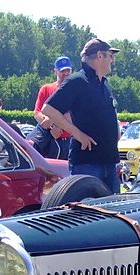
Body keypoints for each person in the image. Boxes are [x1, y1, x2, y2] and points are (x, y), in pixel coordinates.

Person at [41, 39, 121, 193]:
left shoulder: (104, 83)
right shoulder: (77, 81)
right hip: (87, 164)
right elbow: (48, 109)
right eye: (110, 56)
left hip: (109, 162)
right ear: (99, 56)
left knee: (112, 214)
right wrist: (77, 134)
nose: (112, 60)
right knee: (87, 214)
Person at [32, 56, 74, 160]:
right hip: (49, 140)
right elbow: (37, 113)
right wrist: (52, 127)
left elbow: (73, 116)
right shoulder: (46, 89)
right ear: (55, 71)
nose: (66, 73)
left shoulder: (76, 91)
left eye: (68, 70)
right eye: (62, 70)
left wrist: (56, 125)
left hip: (68, 141)